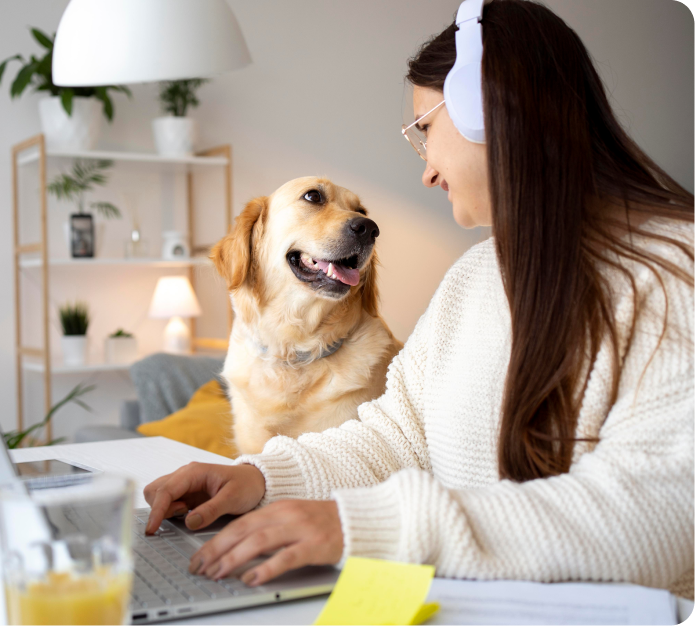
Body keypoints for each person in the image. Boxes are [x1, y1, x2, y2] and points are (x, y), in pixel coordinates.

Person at [143, 0, 695, 599]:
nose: (427, 170)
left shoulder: (676, 275)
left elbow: (656, 513)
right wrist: (258, 479)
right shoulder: (475, 278)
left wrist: (366, 526)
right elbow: (395, 437)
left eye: (425, 130)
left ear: (488, 107)